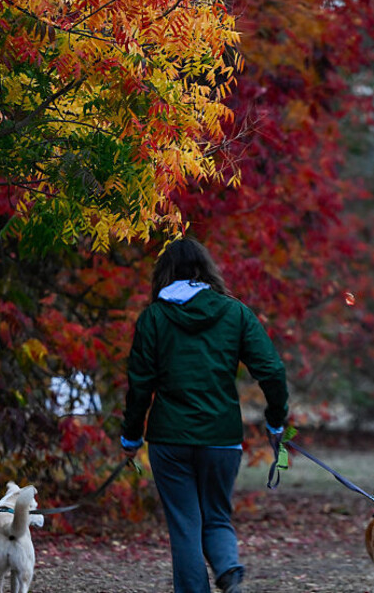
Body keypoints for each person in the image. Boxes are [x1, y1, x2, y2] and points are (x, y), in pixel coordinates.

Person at [119, 237, 289, 593]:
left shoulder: (153, 318)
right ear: (206, 270)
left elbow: (139, 386)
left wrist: (131, 437)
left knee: (185, 525)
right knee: (216, 516)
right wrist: (276, 420)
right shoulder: (235, 313)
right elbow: (272, 370)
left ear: (164, 273)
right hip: (221, 438)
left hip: (170, 438)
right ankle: (228, 571)